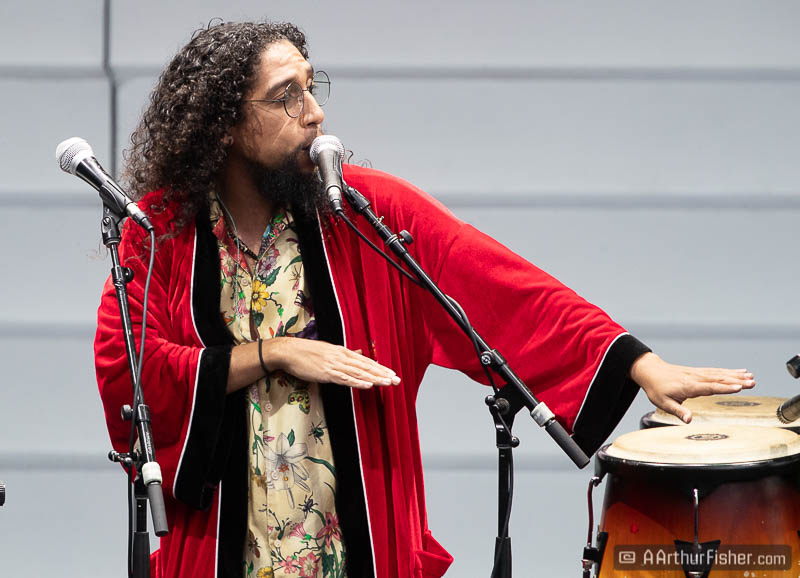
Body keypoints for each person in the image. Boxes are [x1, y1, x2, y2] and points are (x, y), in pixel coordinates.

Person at [93, 20, 754, 578]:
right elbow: (131, 369)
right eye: (286, 97)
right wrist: (275, 354)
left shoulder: (366, 214)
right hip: (224, 545)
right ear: (225, 126)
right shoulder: (159, 232)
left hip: (356, 537)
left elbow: (497, 286)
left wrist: (636, 362)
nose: (315, 112)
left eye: (312, 87)